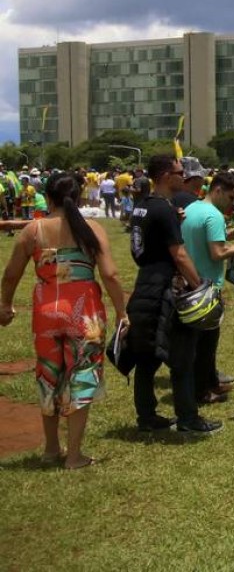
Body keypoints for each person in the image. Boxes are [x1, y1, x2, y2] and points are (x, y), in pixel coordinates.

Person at [0, 172, 128, 469]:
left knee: (48, 376)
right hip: (84, 313)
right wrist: (123, 312)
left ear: (50, 196)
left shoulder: (34, 230)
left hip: (46, 312)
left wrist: (5, 304)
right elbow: (109, 274)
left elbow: (10, 273)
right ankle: (74, 455)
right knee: (82, 377)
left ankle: (50, 449)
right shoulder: (91, 228)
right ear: (80, 194)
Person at [126, 155, 215, 434]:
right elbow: (179, 254)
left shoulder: (143, 206)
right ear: (166, 176)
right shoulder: (163, 210)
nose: (184, 177)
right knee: (182, 357)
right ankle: (188, 418)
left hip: (145, 284)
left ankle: (147, 417)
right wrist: (200, 286)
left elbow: (142, 246)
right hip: (165, 288)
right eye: (179, 172)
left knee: (146, 356)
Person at [179, 172, 234, 406]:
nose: (232, 204)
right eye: (230, 198)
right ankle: (202, 392)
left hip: (188, 284)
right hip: (208, 288)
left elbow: (197, 239)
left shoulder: (191, 209)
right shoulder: (215, 215)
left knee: (195, 343)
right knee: (207, 345)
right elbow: (216, 253)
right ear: (217, 190)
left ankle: (208, 383)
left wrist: (226, 235)